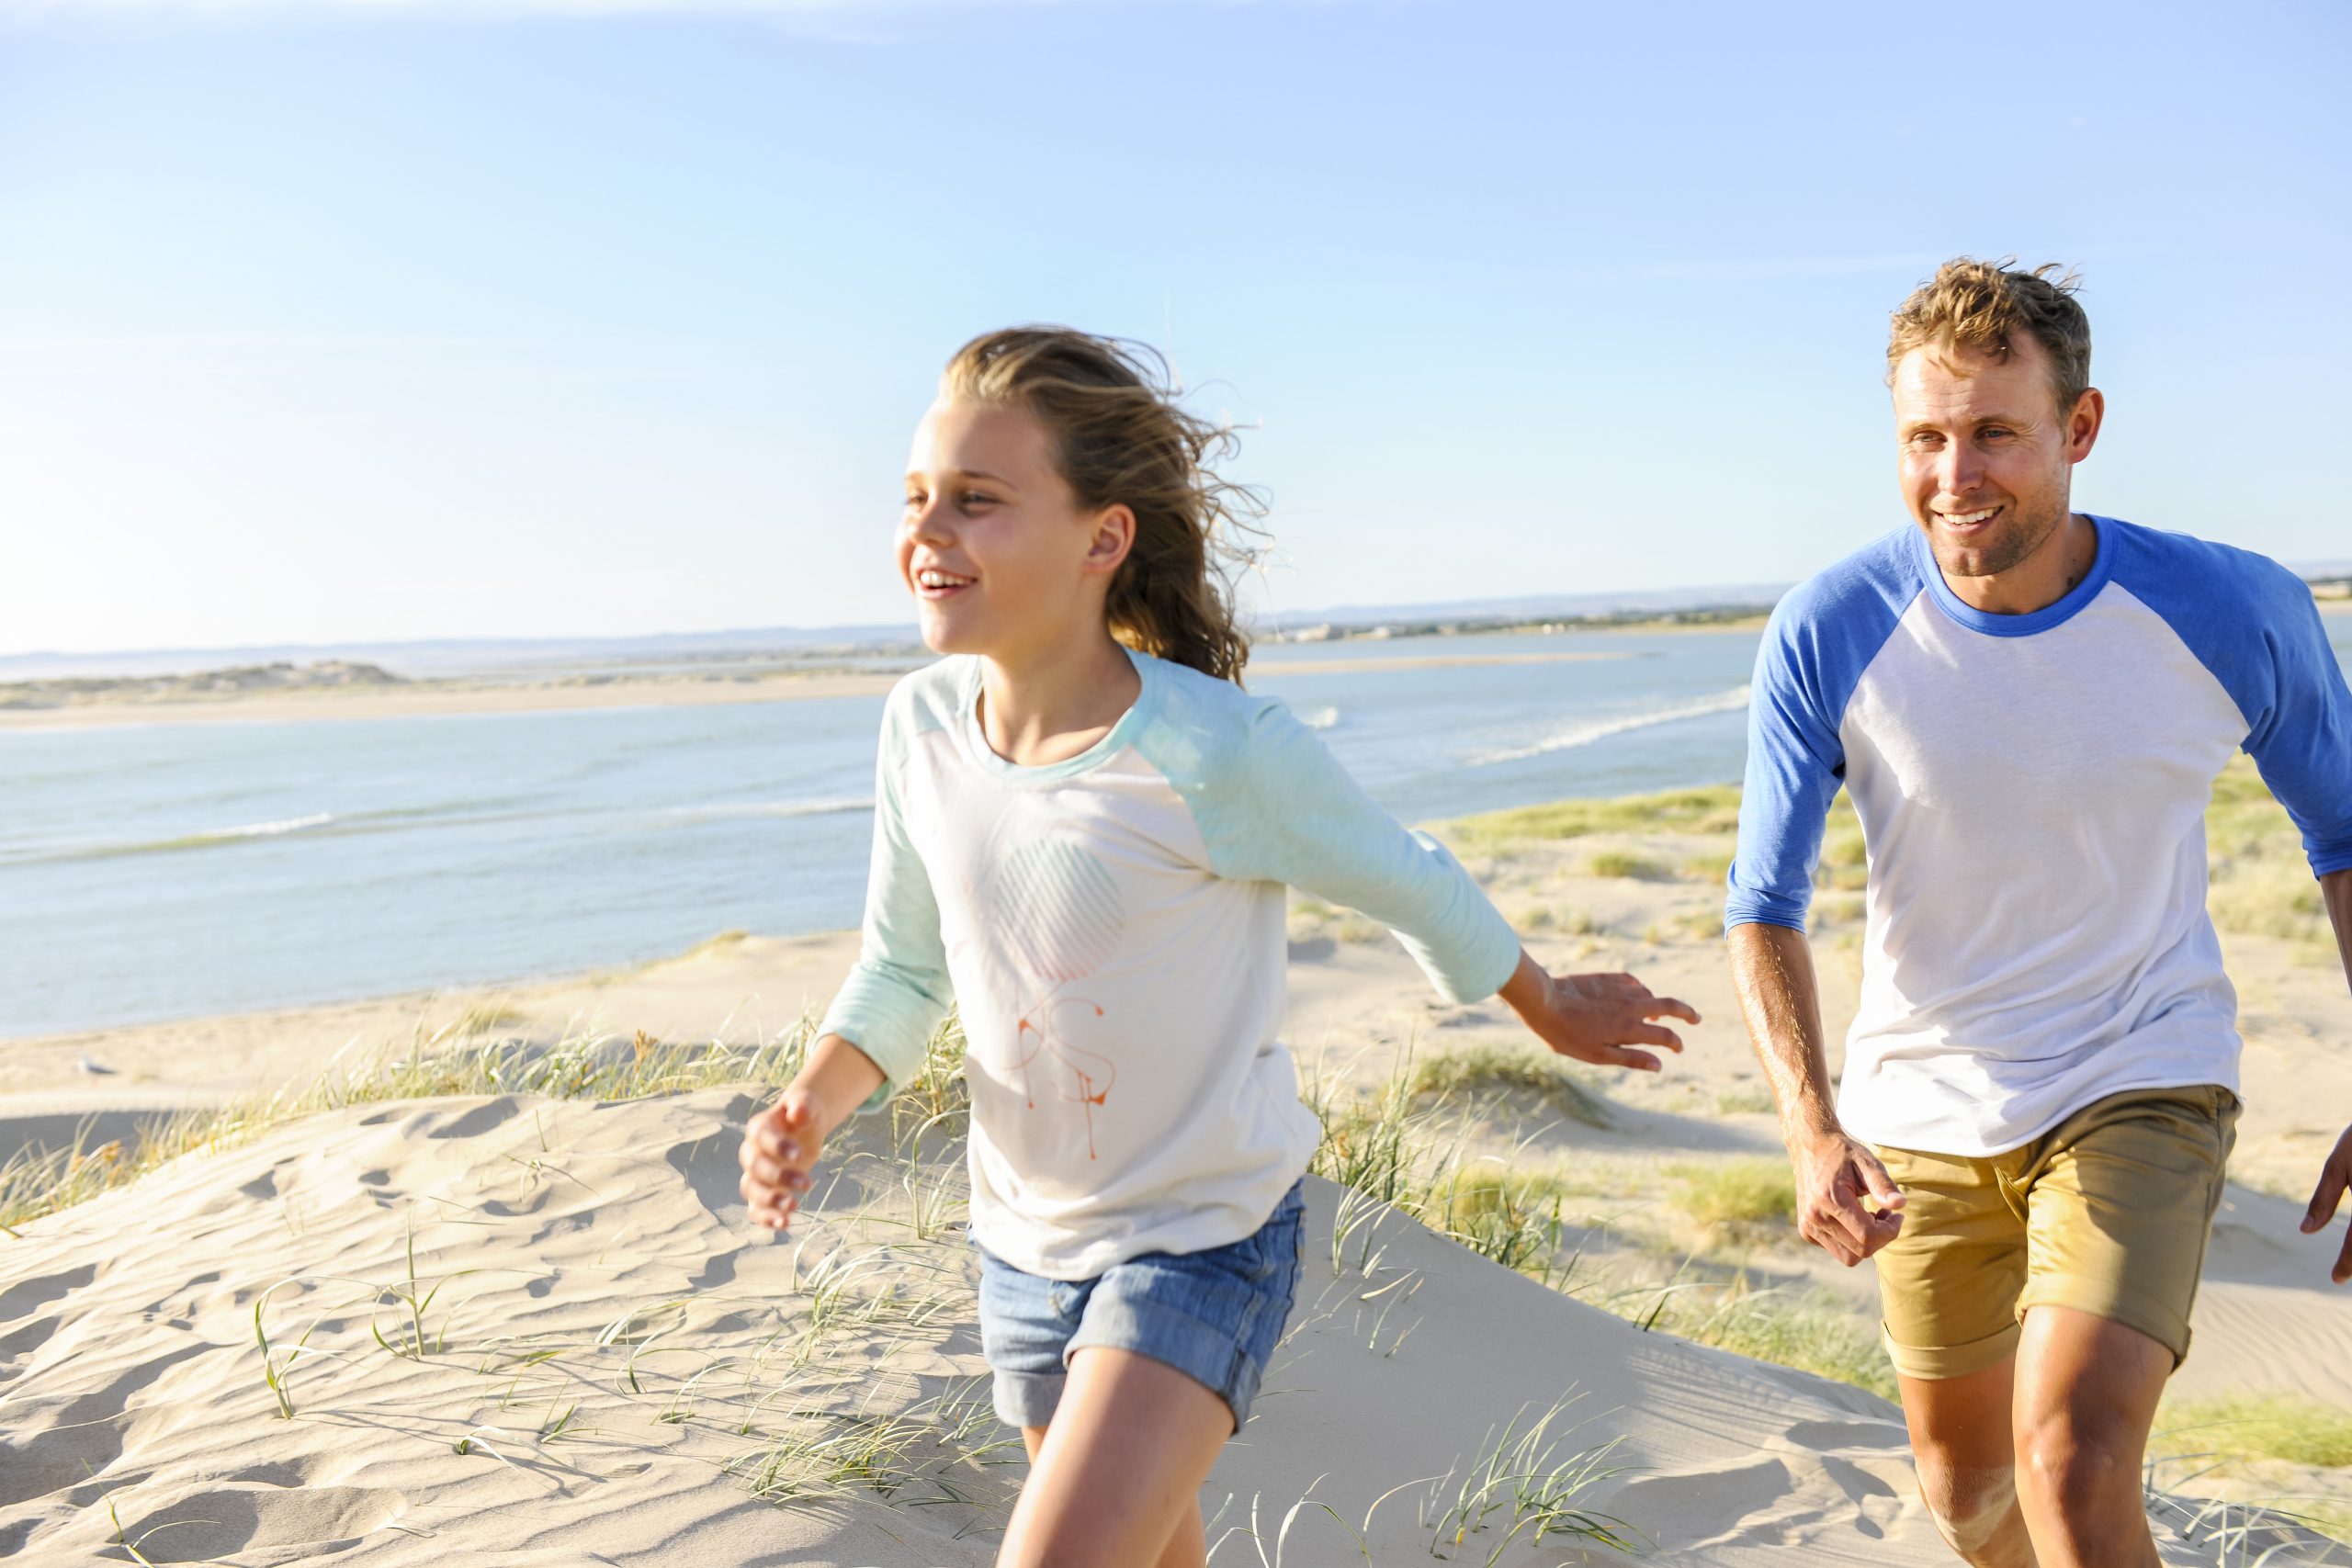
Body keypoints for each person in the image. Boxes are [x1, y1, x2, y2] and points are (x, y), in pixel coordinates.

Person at [737, 327, 1700, 1568]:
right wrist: (809, 1106)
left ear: (1103, 538)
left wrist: (1547, 1000)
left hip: (1200, 1238)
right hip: (1022, 1250)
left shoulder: (1215, 752)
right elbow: (905, 969)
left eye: (978, 501)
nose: (930, 531)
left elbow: (1403, 877)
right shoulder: (920, 728)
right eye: (918, 499)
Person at [1724, 257, 2352, 1568]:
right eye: (1925, 438)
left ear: (2079, 428)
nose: (1956, 477)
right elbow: (1764, 905)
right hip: (1924, 1111)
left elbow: (2343, 834)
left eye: (1996, 434)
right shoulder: (1830, 628)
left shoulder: (2229, 609)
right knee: (1970, 1498)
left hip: (2142, 1071)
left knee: (2070, 1460)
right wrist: (1810, 1128)